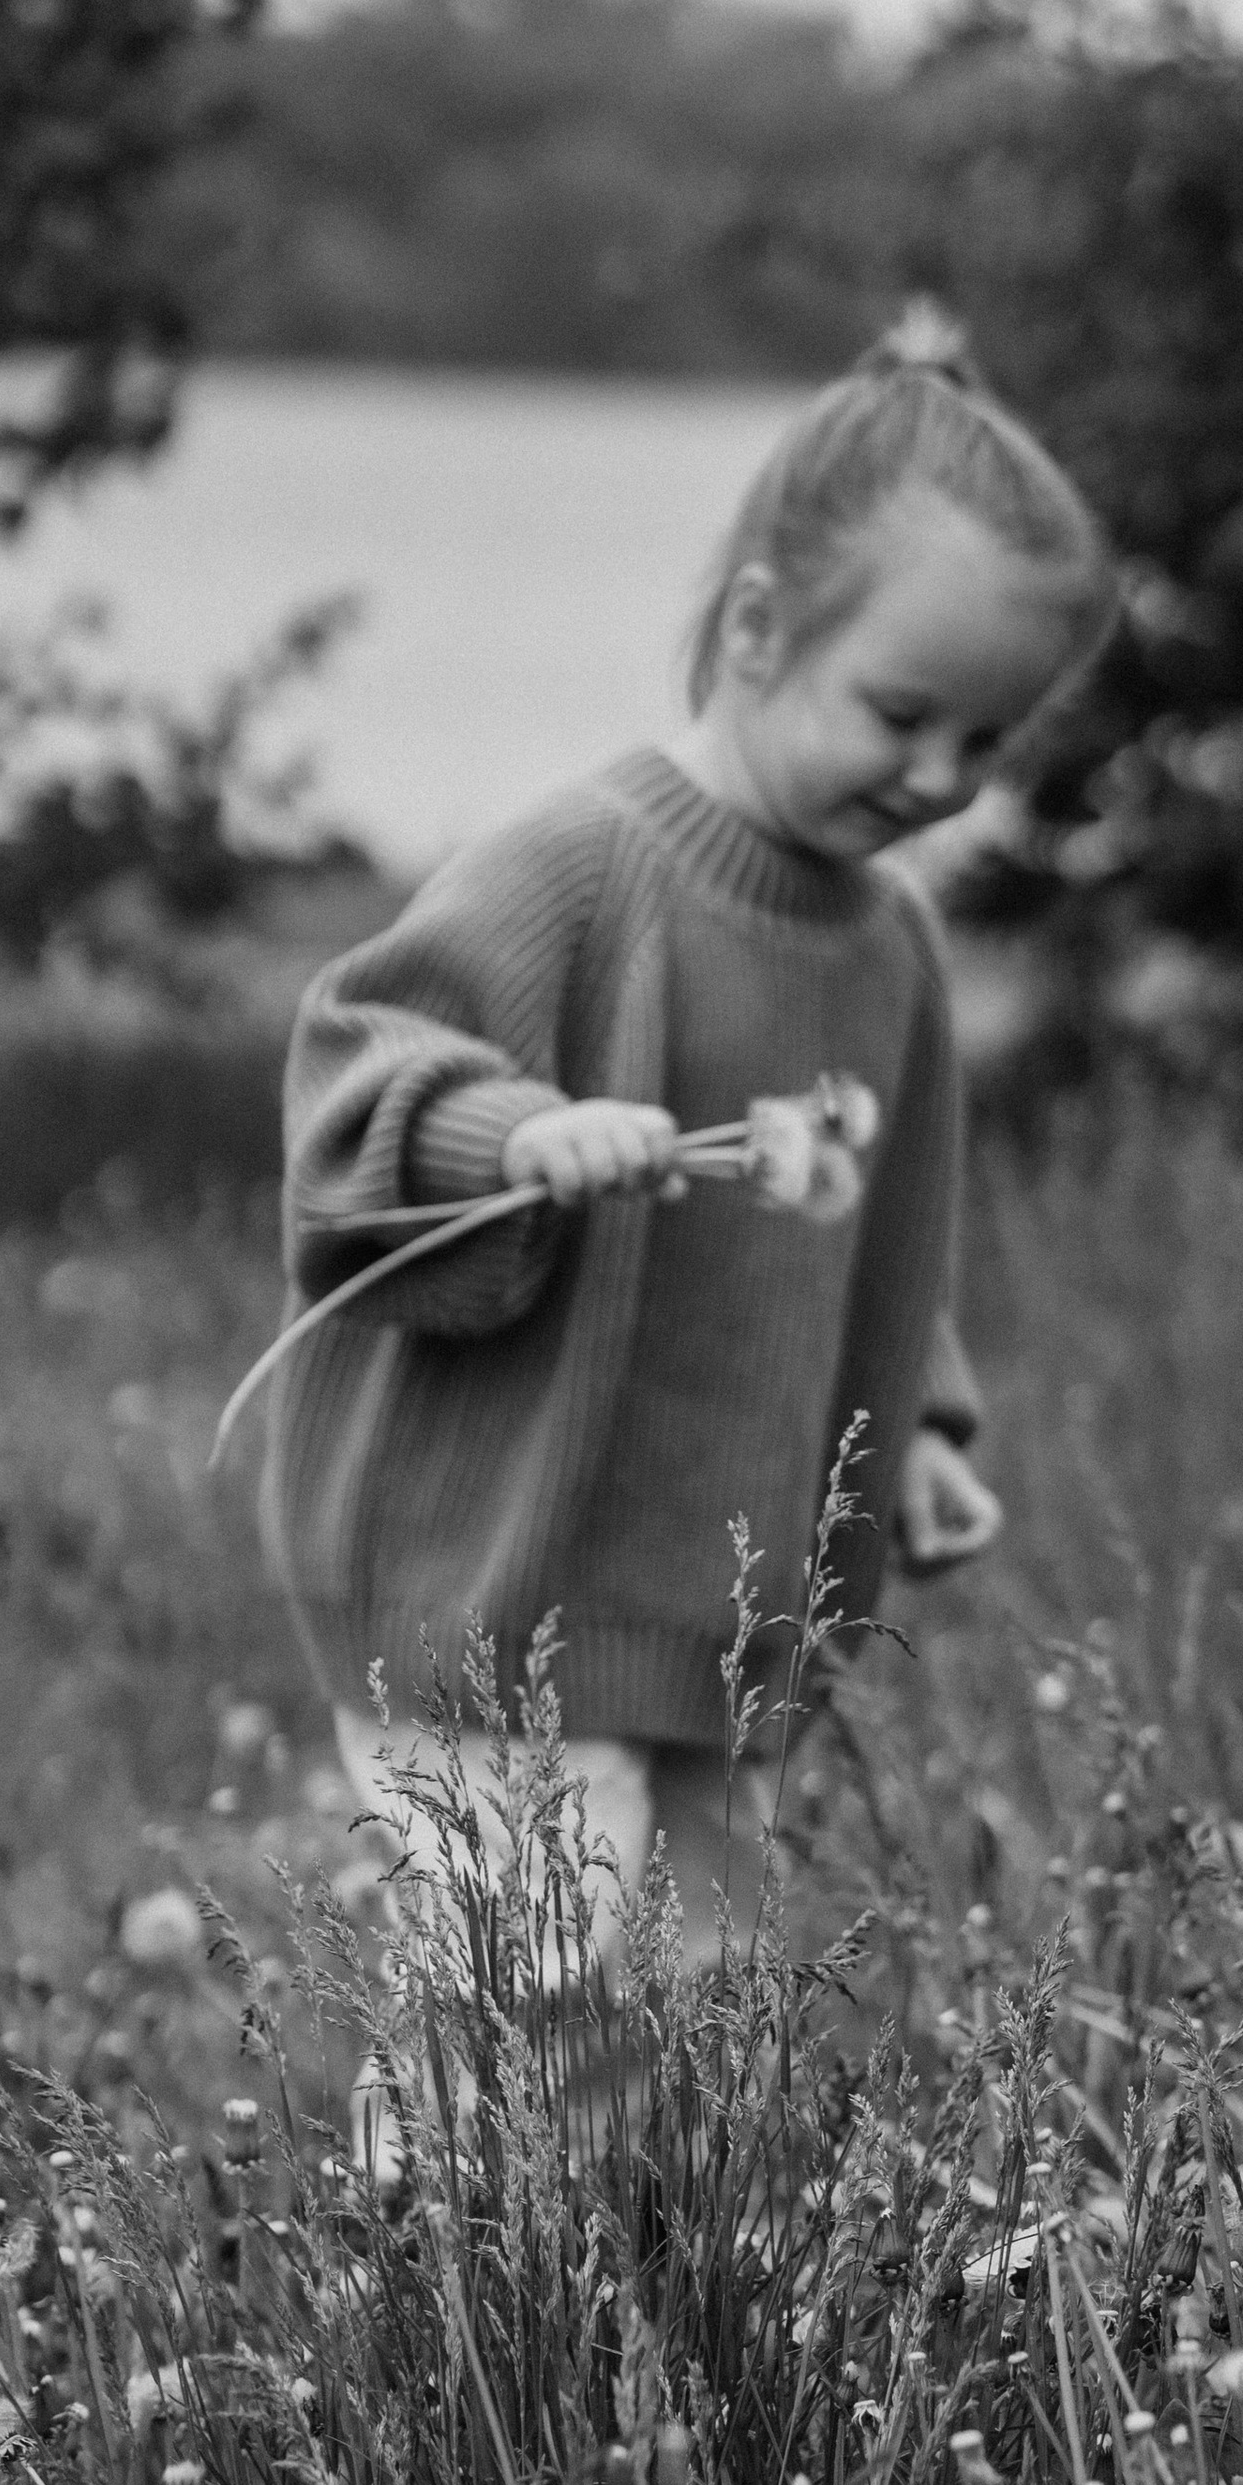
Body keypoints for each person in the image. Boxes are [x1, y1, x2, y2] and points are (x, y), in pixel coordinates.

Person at [265, 315, 1113, 1984]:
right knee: (524, 1996)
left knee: (694, 1990)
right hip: (501, 1573)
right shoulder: (576, 871)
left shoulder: (890, 949)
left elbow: (875, 1222)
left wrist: (921, 1422)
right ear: (754, 626)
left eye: (989, 743)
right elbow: (354, 1092)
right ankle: (458, 2248)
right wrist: (521, 1134)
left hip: (715, 1593)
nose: (941, 777)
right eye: (902, 713)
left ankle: (638, 2253)